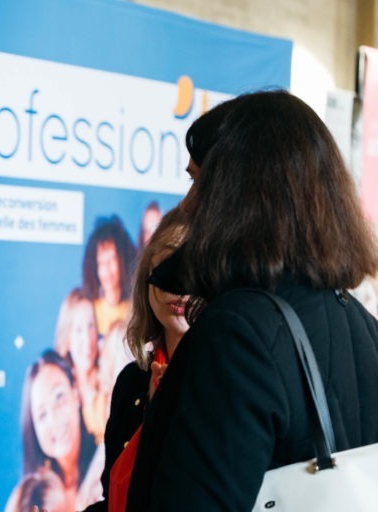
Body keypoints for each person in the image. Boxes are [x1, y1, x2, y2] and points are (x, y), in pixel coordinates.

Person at [127, 90, 378, 511]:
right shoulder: (363, 325)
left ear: (237, 196)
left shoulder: (237, 333)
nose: (187, 205)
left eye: (196, 182)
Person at [81, 207, 190, 512]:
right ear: (147, 279)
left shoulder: (230, 381)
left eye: (192, 266)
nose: (179, 283)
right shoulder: (132, 381)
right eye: (167, 263)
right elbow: (111, 501)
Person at [7, 350, 103, 512]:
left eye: (59, 397)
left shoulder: (104, 463)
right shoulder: (30, 494)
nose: (54, 420)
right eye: (42, 414)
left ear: (75, 393)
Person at [53, 288, 106, 443]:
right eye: (78, 330)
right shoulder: (62, 390)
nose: (87, 338)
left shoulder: (109, 379)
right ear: (67, 339)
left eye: (91, 326)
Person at [82, 216, 137, 337]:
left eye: (112, 259)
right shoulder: (88, 310)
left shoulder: (136, 310)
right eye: (101, 262)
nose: (106, 268)